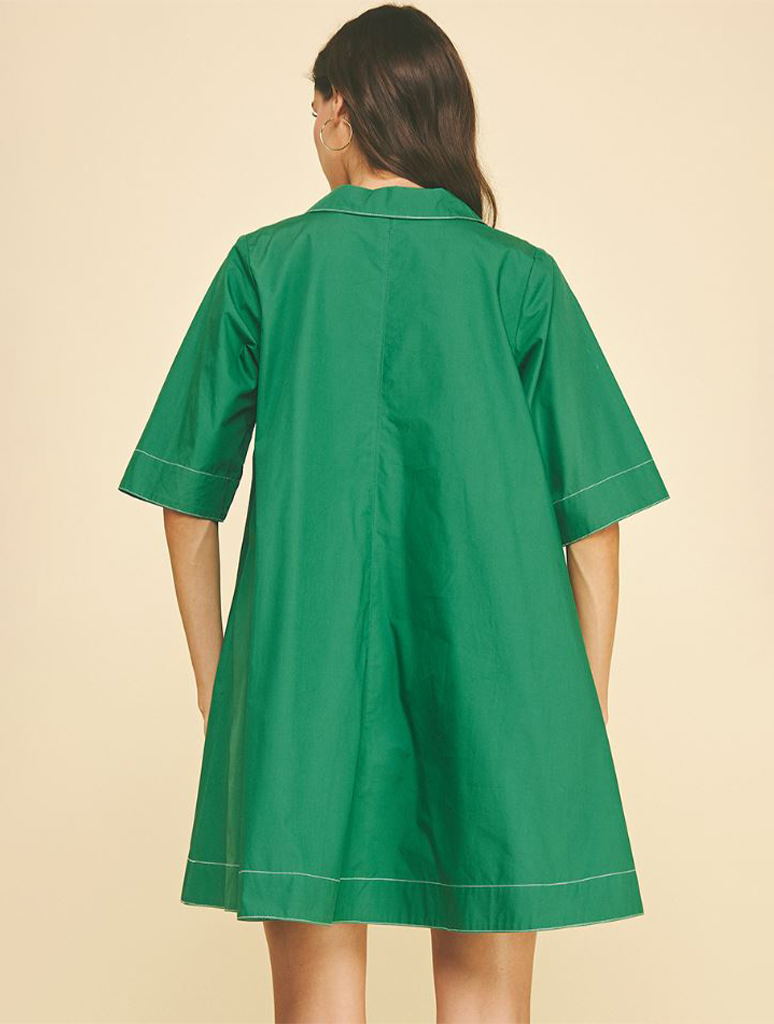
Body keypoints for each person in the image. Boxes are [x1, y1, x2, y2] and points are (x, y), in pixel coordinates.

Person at [117, 4, 670, 1022]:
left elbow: (185, 503)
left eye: (314, 105)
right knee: (487, 1004)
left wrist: (219, 687)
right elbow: (595, 524)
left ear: (340, 108)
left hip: (301, 685)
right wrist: (574, 716)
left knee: (316, 1003)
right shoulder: (520, 278)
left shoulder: (264, 265)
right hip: (501, 684)